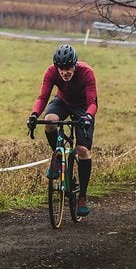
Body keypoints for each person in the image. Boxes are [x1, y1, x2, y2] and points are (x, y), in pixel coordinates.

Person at [28, 44, 97, 217]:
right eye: (61, 69)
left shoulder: (86, 73)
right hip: (63, 102)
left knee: (82, 150)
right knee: (50, 121)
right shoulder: (51, 72)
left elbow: (92, 103)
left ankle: (82, 197)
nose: (64, 73)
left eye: (67, 69)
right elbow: (43, 97)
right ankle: (58, 160)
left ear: (74, 65)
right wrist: (34, 114)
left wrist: (88, 116)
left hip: (83, 108)